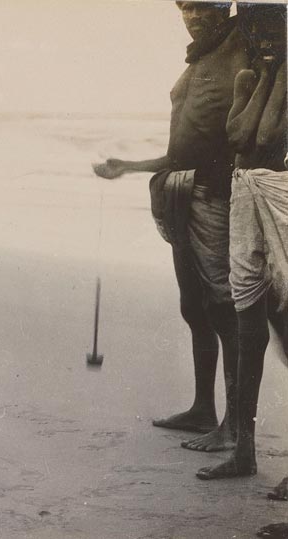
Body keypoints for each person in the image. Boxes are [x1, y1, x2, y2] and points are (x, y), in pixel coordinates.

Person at [93, 1, 247, 452]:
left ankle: (236, 423)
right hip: (179, 188)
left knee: (223, 306)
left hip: (215, 192)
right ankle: (204, 408)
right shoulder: (200, 57)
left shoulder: (243, 43)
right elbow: (180, 149)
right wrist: (130, 166)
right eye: (186, 7)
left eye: (203, 6)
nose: (193, 15)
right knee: (194, 306)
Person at [197, 3, 287, 484]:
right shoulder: (248, 77)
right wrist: (268, 74)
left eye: (272, 27)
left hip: (281, 198)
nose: (261, 38)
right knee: (248, 320)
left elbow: (270, 133)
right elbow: (238, 134)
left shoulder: (267, 75)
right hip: (245, 194)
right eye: (254, 29)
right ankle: (246, 452)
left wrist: (277, 72)